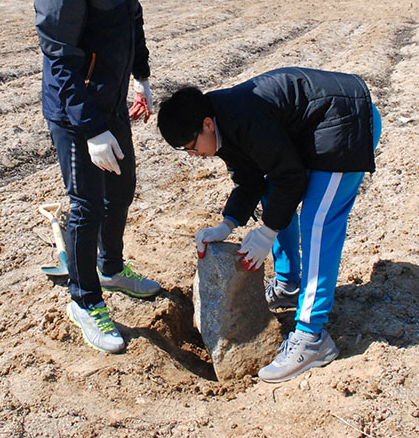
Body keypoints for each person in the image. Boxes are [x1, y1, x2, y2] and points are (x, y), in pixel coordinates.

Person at [157, 67, 382, 382]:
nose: (195, 155)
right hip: (315, 128)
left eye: (192, 147)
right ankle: (289, 286)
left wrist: (266, 233)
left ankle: (311, 338)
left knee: (317, 221)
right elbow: (251, 180)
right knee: (272, 193)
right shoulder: (221, 124)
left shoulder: (241, 117)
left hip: (346, 119)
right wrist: (227, 224)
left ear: (206, 124)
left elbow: (290, 176)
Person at [35, 0, 164, 354]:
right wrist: (90, 130)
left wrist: (142, 78)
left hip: (110, 101)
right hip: (75, 111)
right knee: (87, 203)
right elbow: (61, 59)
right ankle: (84, 298)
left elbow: (132, 22)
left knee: (122, 189)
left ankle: (110, 269)